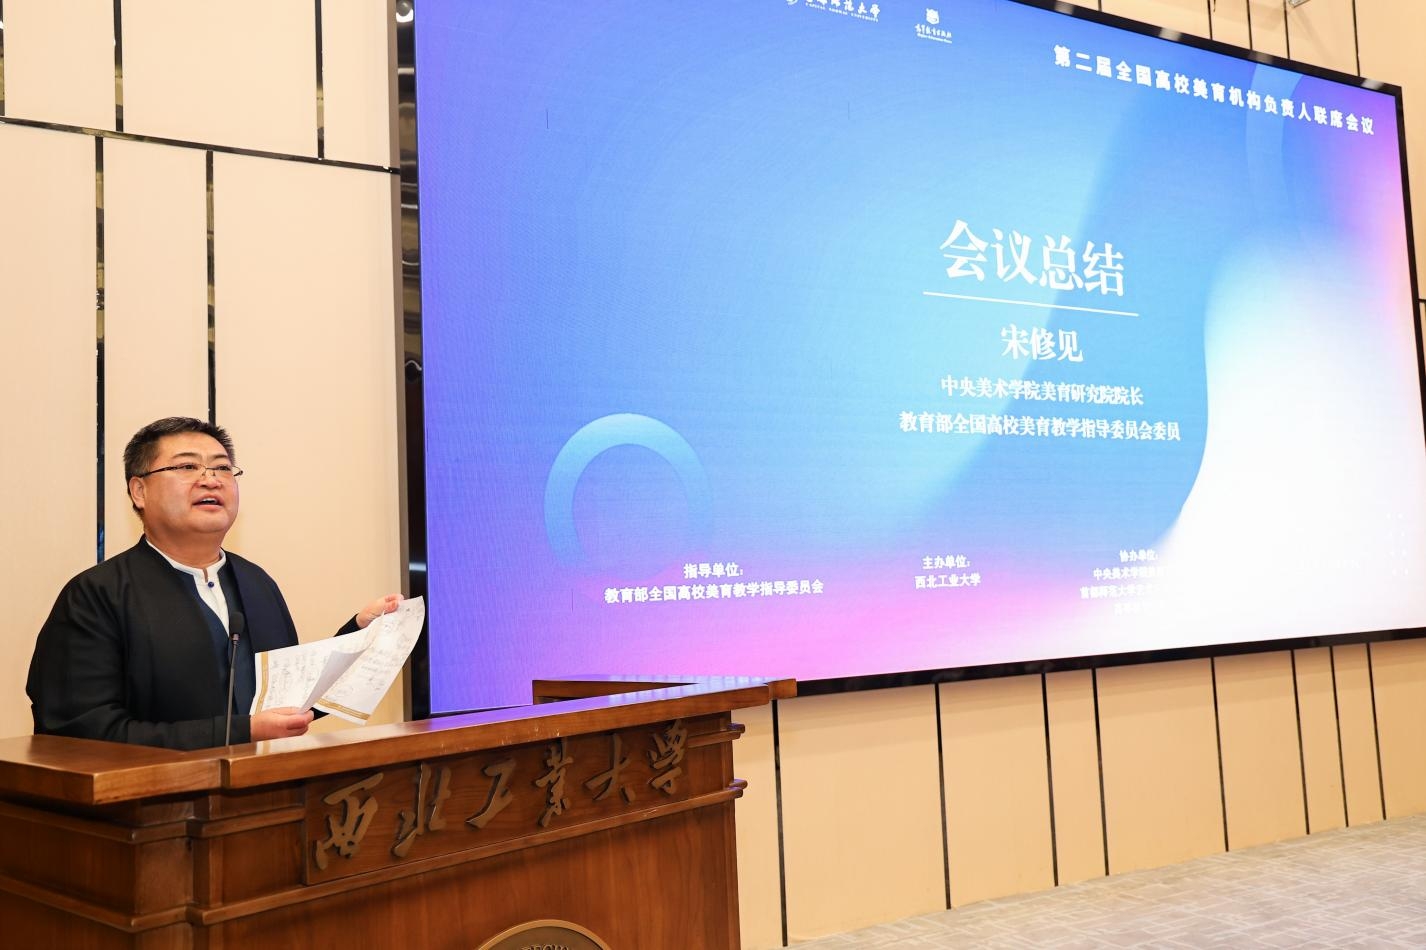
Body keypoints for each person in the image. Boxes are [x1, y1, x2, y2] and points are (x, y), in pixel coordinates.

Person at [26, 416, 401, 750]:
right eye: (187, 466)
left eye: (222, 468)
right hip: (154, 801)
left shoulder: (256, 583)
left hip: (266, 795)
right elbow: (80, 732)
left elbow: (286, 701)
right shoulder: (97, 594)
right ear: (139, 491)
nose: (210, 479)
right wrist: (241, 732)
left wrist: (360, 635)